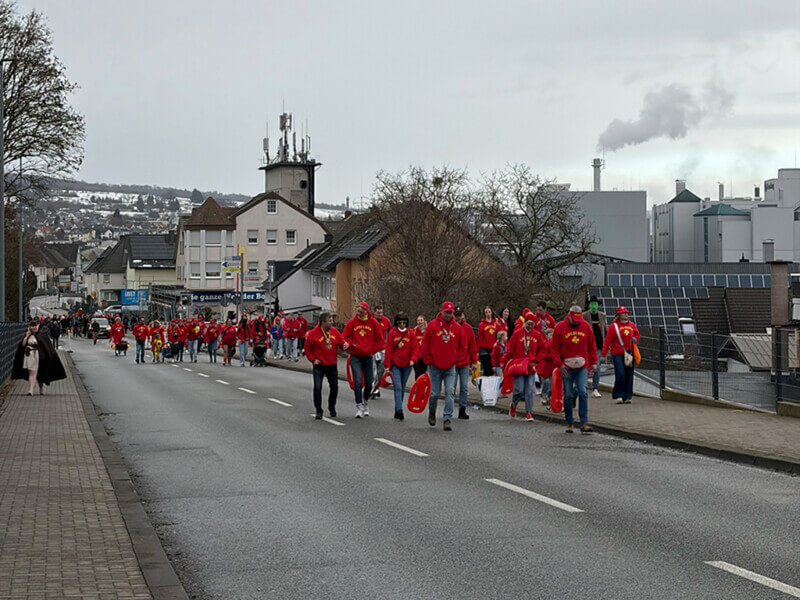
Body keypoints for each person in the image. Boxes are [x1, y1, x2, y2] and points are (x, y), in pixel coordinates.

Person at [553, 305, 597, 434]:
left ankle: (584, 422)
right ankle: (569, 422)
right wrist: (559, 364)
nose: (577, 323)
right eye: (574, 320)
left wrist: (594, 362)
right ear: (569, 315)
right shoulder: (560, 327)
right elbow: (554, 348)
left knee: (583, 392)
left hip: (582, 366)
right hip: (566, 366)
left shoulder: (586, 326)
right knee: (568, 395)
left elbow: (592, 345)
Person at [421, 301, 460, 431]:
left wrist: (456, 359)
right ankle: (432, 411)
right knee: (434, 394)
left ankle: (447, 418)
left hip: (450, 367)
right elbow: (425, 343)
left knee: (450, 392)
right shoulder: (432, 325)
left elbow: (462, 346)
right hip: (435, 367)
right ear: (442, 312)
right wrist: (428, 360)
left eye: (451, 312)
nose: (449, 315)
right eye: (446, 312)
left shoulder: (457, 328)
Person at [342, 302, 384, 418]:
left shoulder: (373, 323)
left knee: (369, 383)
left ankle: (365, 401)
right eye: (358, 311)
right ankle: (359, 405)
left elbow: (380, 340)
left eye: (361, 311)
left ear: (366, 311)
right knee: (358, 381)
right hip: (355, 356)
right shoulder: (353, 322)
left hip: (368, 357)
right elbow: (344, 336)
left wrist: (372, 350)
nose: (358, 313)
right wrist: (351, 344)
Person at [502, 308, 545, 422]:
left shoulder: (537, 335)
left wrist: (538, 360)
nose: (530, 326)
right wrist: (504, 360)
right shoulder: (517, 334)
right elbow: (510, 349)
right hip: (519, 366)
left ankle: (529, 412)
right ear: (524, 323)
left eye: (532, 324)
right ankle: (514, 404)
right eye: (528, 324)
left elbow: (542, 349)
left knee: (530, 390)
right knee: (519, 390)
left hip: (531, 366)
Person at [305, 311, 348, 419]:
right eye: (330, 320)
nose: (332, 322)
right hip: (319, 365)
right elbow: (307, 348)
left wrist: (345, 345)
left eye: (332, 320)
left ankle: (331, 406)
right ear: (323, 322)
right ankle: (318, 410)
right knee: (318, 388)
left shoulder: (335, 332)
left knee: (334, 387)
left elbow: (341, 343)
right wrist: (313, 360)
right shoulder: (313, 333)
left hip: (332, 364)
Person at [12, 320, 67, 395]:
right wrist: (27, 336)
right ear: (30, 327)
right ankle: (30, 390)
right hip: (30, 356)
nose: (34, 327)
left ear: (38, 326)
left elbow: (47, 347)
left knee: (41, 374)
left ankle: (41, 388)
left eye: (35, 325)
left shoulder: (42, 335)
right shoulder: (27, 334)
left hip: (41, 357)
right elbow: (22, 345)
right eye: (32, 326)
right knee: (32, 372)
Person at [602, 306, 640, 405]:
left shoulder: (631, 325)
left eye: (626, 313)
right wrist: (603, 354)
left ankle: (627, 396)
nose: (626, 315)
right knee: (620, 374)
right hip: (617, 353)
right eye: (623, 313)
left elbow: (636, 335)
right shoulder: (613, 326)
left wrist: (635, 339)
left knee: (629, 375)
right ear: (619, 315)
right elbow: (608, 341)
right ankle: (618, 394)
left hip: (628, 353)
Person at [384, 312, 417, 421]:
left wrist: (413, 359)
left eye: (404, 322)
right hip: (396, 365)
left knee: (402, 387)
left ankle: (398, 407)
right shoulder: (392, 333)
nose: (402, 324)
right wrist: (387, 365)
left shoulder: (410, 333)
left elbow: (415, 348)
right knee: (397, 387)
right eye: (400, 322)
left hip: (407, 365)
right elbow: (388, 350)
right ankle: (399, 410)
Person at [453, 306, 478, 420]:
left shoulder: (467, 328)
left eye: (459, 315)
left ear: (462, 316)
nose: (458, 317)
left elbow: (473, 346)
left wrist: (474, 361)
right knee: (451, 387)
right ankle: (449, 408)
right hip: (452, 362)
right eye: (456, 315)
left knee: (464, 387)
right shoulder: (450, 327)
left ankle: (462, 409)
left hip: (464, 362)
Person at [584, 295, 607, 398]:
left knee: (596, 367)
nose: (594, 306)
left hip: (598, 346)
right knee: (585, 367)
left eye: (595, 304)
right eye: (592, 304)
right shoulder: (584, 316)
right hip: (586, 346)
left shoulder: (602, 316)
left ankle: (595, 388)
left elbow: (605, 329)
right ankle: (583, 386)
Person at [371, 306, 391, 399]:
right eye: (378, 312)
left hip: (382, 349)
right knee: (373, 370)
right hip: (372, 349)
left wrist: (387, 343)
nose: (380, 314)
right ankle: (373, 389)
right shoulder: (369, 320)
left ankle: (376, 387)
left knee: (381, 371)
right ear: (374, 312)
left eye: (381, 312)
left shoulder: (386, 321)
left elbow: (390, 332)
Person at [477, 306, 499, 376]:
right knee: (486, 369)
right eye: (486, 312)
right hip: (484, 349)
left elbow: (499, 335)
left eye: (489, 312)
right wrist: (477, 350)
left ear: (491, 313)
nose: (488, 314)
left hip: (493, 348)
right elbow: (479, 338)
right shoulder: (482, 324)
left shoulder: (496, 323)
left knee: (493, 368)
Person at [536, 328, 556, 407]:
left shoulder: (555, 343)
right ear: (546, 336)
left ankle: (548, 397)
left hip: (552, 367)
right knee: (546, 382)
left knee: (551, 384)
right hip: (544, 367)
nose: (552, 336)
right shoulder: (543, 343)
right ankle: (543, 395)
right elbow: (543, 354)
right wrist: (551, 356)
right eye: (551, 335)